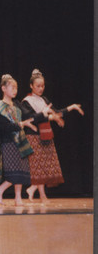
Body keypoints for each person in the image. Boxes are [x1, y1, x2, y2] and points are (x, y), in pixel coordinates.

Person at [21, 69, 84, 203]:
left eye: (42, 86)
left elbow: (56, 113)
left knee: (46, 166)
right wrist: (46, 115)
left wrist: (71, 107)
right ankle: (42, 195)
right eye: (38, 86)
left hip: (46, 136)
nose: (41, 88)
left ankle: (32, 189)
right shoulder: (26, 101)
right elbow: (31, 118)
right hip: (34, 136)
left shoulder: (44, 99)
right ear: (31, 86)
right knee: (38, 167)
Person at [0, 74, 38, 206]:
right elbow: (4, 128)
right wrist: (21, 124)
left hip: (20, 141)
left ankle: (18, 197)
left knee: (22, 171)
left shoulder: (17, 104)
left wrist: (43, 115)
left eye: (16, 88)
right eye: (12, 87)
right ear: (3, 88)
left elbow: (30, 116)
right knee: (14, 171)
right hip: (9, 142)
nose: (15, 90)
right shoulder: (0, 108)